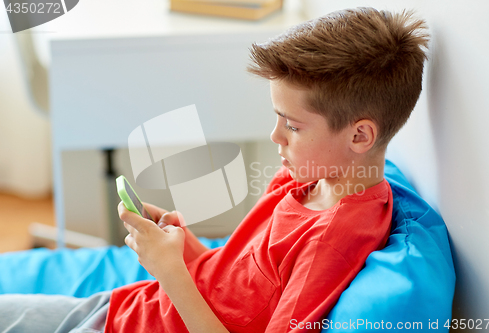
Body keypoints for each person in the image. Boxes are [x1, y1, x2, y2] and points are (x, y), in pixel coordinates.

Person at [0, 7, 429, 333]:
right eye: (278, 117)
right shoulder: (298, 180)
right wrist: (182, 247)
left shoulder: (331, 242)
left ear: (360, 137)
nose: (276, 136)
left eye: (293, 126)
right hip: (126, 308)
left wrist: (168, 271)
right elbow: (235, 284)